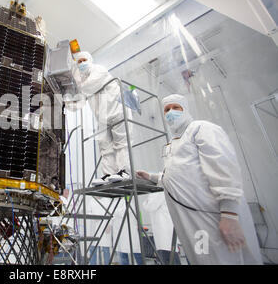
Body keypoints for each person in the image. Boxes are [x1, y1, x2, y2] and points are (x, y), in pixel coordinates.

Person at [136, 94, 262, 265]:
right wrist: (152, 177)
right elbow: (181, 175)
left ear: (185, 109)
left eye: (176, 108)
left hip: (214, 218)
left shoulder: (201, 129)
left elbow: (223, 167)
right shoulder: (174, 142)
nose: (170, 113)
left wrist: (229, 214)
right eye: (166, 110)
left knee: (227, 260)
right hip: (194, 222)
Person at [71, 51, 133, 184]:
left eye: (83, 60)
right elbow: (78, 102)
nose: (81, 64)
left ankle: (125, 171)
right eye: (79, 62)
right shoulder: (83, 81)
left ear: (90, 60)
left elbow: (87, 87)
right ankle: (109, 174)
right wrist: (66, 102)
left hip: (118, 111)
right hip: (103, 118)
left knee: (121, 143)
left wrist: (74, 83)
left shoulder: (99, 70)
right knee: (104, 145)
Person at [142, 192, 181, 264]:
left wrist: (146, 202)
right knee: (166, 258)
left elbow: (149, 206)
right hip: (162, 236)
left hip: (165, 236)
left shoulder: (160, 191)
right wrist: (147, 202)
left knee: (169, 259)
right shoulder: (157, 192)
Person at [112, 198, 142, 265]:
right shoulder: (113, 202)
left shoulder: (129, 201)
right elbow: (111, 213)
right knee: (122, 256)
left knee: (137, 254)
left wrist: (115, 213)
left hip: (129, 233)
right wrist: (115, 213)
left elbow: (123, 213)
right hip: (119, 234)